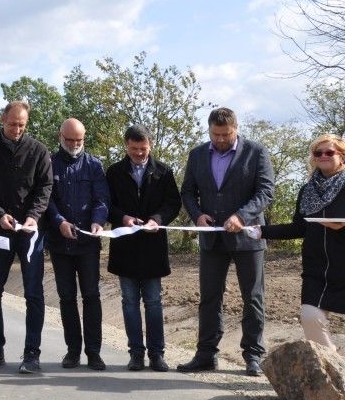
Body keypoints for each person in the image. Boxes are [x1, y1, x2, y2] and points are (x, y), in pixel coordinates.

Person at [178, 107, 274, 376]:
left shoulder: (256, 152)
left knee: (253, 298)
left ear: (236, 129)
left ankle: (253, 356)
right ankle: (206, 354)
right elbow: (187, 191)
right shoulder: (197, 154)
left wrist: (241, 216)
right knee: (209, 298)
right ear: (209, 130)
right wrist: (197, 215)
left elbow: (265, 192)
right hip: (212, 240)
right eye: (215, 134)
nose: (220, 139)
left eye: (226, 134)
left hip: (248, 238)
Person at [0, 100, 53, 374]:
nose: (17, 129)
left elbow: (45, 187)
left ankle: (32, 354)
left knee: (34, 293)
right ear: (2, 120)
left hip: (31, 232)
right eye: (12, 124)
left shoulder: (39, 151)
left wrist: (34, 215)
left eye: (22, 124)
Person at [247, 134, 345, 350]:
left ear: (342, 157)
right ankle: (334, 371)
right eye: (318, 153)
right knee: (310, 317)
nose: (323, 156)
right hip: (316, 270)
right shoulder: (307, 190)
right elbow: (298, 228)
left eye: (329, 152)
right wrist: (262, 231)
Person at [105, 125, 182, 372]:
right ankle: (136, 354)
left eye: (144, 149)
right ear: (126, 145)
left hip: (153, 247)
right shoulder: (114, 172)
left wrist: (157, 219)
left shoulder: (163, 171)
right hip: (125, 247)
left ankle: (157, 354)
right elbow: (106, 205)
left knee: (153, 302)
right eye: (134, 149)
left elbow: (173, 203)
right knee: (129, 302)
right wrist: (124, 217)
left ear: (150, 146)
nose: (139, 153)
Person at [45, 118, 110, 371]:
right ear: (60, 136)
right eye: (69, 140)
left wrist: (98, 222)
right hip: (60, 245)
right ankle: (72, 351)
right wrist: (59, 221)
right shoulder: (49, 164)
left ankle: (94, 352)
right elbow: (46, 200)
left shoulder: (94, 165)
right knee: (66, 298)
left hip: (88, 245)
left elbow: (102, 199)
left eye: (79, 141)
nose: (74, 145)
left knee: (92, 296)